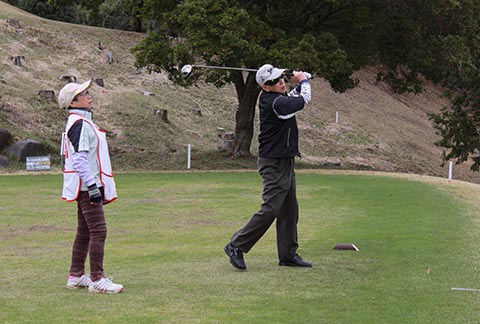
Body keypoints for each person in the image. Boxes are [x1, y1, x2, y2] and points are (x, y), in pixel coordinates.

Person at [224, 64, 313, 270]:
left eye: (281, 77)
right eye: (274, 81)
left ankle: (288, 255)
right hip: (273, 162)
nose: (281, 82)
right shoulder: (274, 103)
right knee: (271, 208)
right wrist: (303, 82)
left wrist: (301, 82)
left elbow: (291, 97)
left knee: (290, 210)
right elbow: (301, 101)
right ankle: (236, 245)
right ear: (265, 87)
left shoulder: (278, 98)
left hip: (285, 160)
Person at [58, 80, 124, 293]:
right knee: (98, 230)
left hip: (85, 185)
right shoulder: (79, 123)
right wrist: (93, 185)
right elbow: (79, 159)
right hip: (87, 187)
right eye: (84, 94)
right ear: (74, 101)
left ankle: (76, 275)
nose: (89, 96)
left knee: (85, 231)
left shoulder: (81, 122)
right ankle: (97, 279)